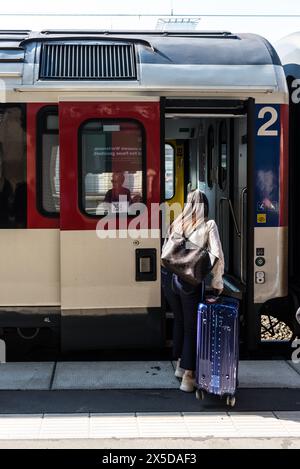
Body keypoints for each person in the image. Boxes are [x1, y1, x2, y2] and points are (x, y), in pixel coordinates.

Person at [161, 189, 224, 392]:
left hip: (172, 281)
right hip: (191, 283)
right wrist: (217, 282)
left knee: (180, 321)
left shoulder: (177, 223)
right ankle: (188, 377)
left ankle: (180, 365)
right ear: (205, 206)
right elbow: (217, 255)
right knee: (192, 328)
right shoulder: (208, 225)